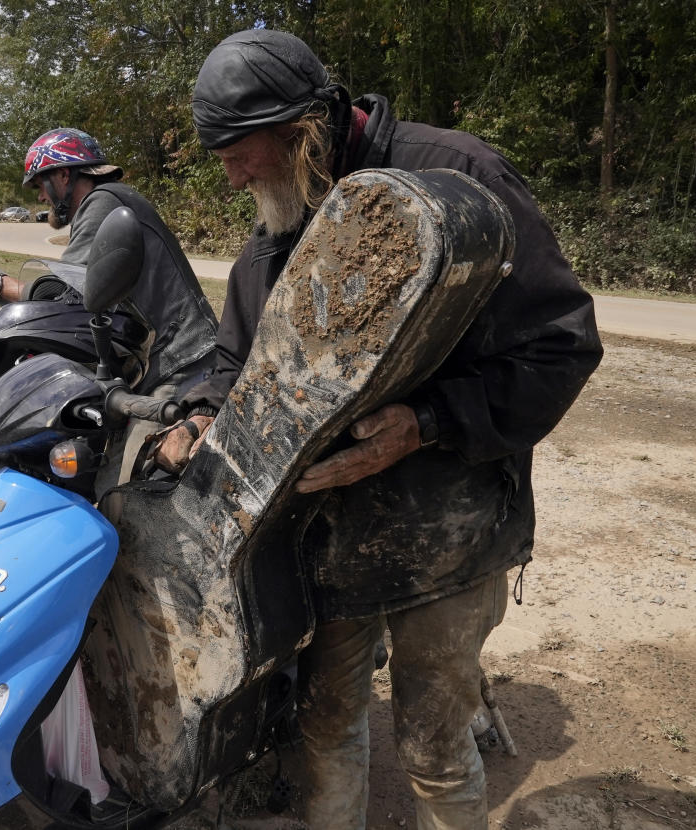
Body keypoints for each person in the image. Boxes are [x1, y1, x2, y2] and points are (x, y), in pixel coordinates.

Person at [155, 29, 603, 830]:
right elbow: (236, 357)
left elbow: (560, 345)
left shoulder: (457, 175)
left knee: (432, 744)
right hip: (322, 540)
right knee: (324, 725)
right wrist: (199, 411)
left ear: (304, 129)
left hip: (444, 537)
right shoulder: (283, 215)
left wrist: (428, 421)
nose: (228, 176)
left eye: (236, 152)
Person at [0, 127, 218, 397]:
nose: (41, 197)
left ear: (63, 175)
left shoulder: (103, 202)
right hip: (171, 358)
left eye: (40, 185)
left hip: (182, 366)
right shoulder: (112, 198)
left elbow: (61, 297)